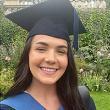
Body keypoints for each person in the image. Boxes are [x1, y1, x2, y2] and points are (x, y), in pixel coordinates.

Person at [0, 0, 96, 110]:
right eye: (41, 49)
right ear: (28, 54)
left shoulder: (82, 101)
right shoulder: (8, 108)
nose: (51, 59)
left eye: (61, 51)